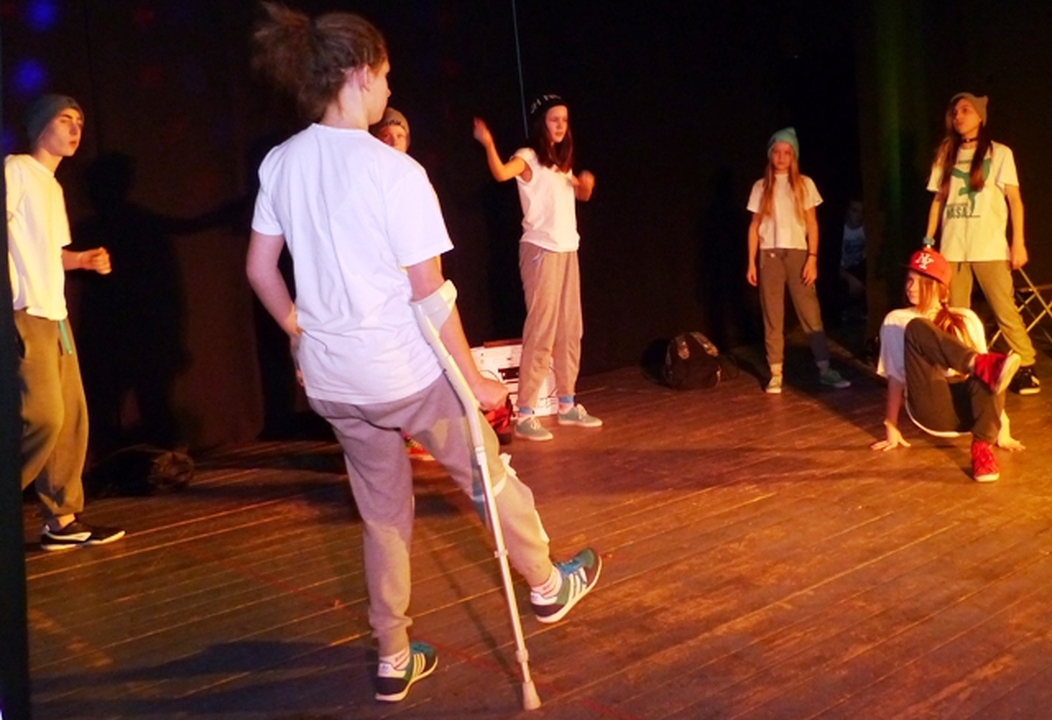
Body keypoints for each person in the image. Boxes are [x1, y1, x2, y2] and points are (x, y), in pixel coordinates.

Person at [248, 4, 600, 703]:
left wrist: (301, 334)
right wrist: (477, 380)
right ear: (356, 74)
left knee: (382, 514)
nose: (388, 87)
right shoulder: (395, 172)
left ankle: (393, 655)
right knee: (488, 475)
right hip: (403, 373)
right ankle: (546, 584)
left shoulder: (280, 162)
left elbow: (261, 271)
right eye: (383, 74)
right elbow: (429, 294)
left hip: (335, 382)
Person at [6, 94, 125, 550]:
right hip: (26, 312)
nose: (76, 129)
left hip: (55, 315)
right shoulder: (17, 169)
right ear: (41, 126)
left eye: (80, 121)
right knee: (43, 417)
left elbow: (51, 254)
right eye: (65, 120)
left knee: (71, 419)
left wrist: (83, 260)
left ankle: (62, 520)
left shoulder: (52, 188)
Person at [472, 95, 601, 441]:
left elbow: (581, 196)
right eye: (554, 119)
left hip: (568, 249)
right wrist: (488, 143)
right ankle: (526, 411)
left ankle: (567, 403)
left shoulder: (561, 164)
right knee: (541, 330)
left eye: (565, 120)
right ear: (542, 122)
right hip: (540, 250)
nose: (560, 125)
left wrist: (585, 187)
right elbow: (501, 173)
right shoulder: (528, 157)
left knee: (570, 329)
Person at [872, 248, 1023, 482]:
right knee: (917, 327)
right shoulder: (897, 320)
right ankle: (974, 361)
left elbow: (994, 379)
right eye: (910, 280)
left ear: (941, 289)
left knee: (989, 372)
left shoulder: (966, 318)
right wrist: (890, 424)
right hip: (931, 404)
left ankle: (982, 450)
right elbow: (896, 376)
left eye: (921, 282)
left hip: (968, 409)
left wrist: (1002, 424)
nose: (911, 287)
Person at [925, 92, 1040, 395]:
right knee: (956, 312)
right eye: (955, 112)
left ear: (979, 116)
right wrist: (928, 241)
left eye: (966, 110)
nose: (959, 116)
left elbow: (1015, 201)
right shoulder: (946, 154)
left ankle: (1026, 365)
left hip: (988, 246)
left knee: (1004, 308)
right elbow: (937, 202)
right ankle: (965, 365)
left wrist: (1018, 242)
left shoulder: (999, 153)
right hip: (953, 247)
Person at [745, 127, 850, 394]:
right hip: (769, 255)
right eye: (777, 152)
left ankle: (825, 368)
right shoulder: (760, 186)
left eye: (787, 153)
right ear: (770, 155)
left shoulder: (804, 184)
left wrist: (812, 258)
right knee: (773, 315)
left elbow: (812, 224)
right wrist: (751, 262)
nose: (781, 157)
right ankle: (776, 372)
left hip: (798, 254)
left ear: (794, 157)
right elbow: (754, 226)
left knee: (809, 312)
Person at [838, 198, 867, 322]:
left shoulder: (867, 230)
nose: (859, 216)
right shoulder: (841, 230)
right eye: (855, 211)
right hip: (843, 271)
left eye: (862, 212)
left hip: (860, 269)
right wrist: (850, 279)